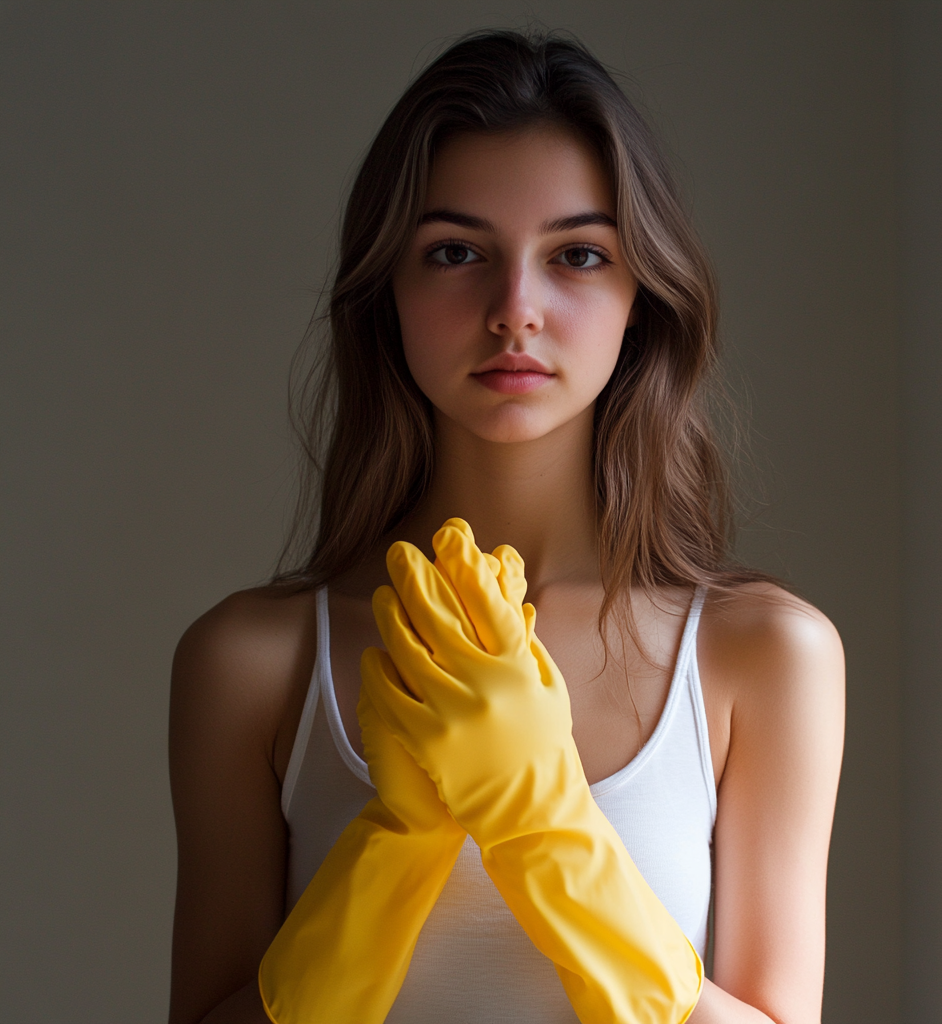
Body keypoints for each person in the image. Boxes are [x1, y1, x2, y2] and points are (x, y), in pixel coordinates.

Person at [167, 30, 845, 1024]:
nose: (514, 309)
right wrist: (392, 842)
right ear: (387, 292)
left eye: (576, 254)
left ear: (638, 298)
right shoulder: (251, 661)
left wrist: (546, 822)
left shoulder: (764, 654)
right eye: (455, 252)